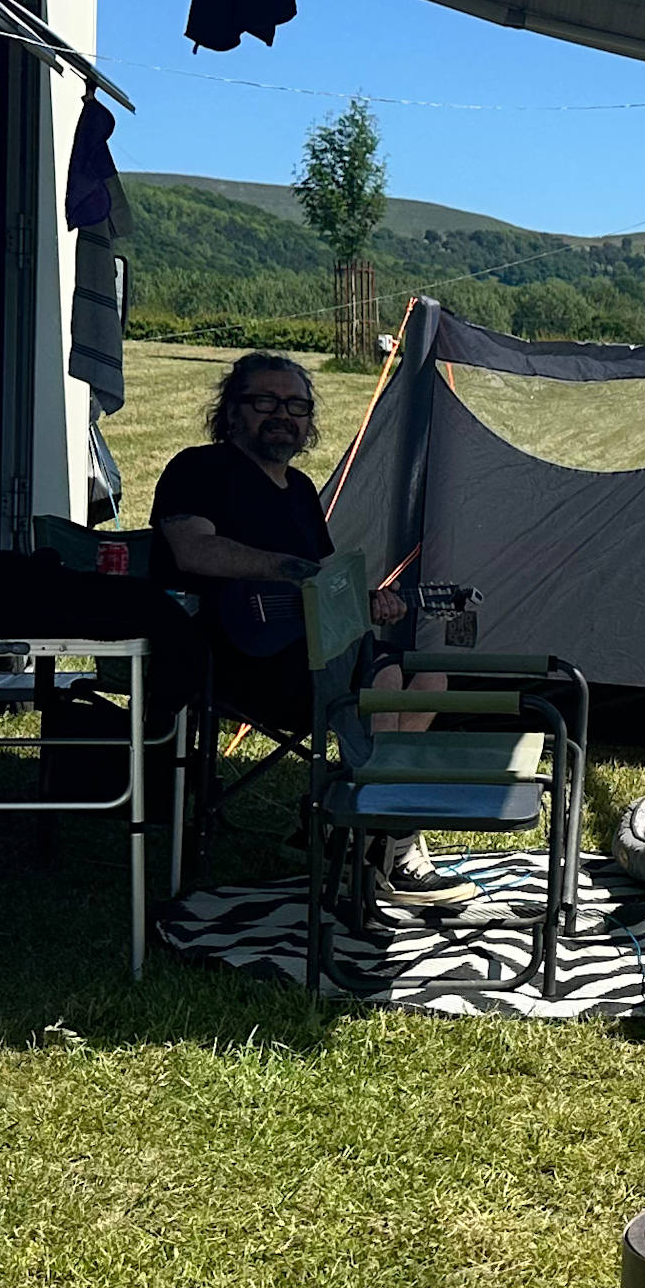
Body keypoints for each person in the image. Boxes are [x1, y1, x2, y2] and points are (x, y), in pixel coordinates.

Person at [153, 353, 466, 904]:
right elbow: (193, 549)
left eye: (297, 406)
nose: (283, 415)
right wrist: (290, 569)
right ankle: (380, 838)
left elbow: (329, 593)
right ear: (231, 411)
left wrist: (373, 602)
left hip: (320, 653)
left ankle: (351, 829)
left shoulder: (298, 490)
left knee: (427, 678)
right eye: (265, 402)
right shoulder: (198, 469)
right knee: (381, 684)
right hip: (235, 658)